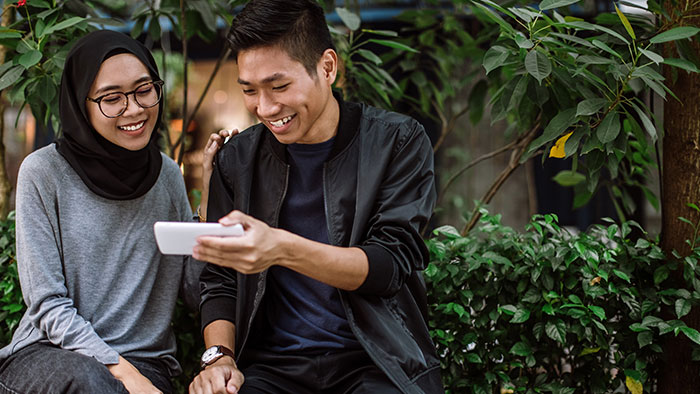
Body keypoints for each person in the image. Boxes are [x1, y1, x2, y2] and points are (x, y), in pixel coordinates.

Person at [189, 1, 443, 393]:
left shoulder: (397, 141)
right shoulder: (236, 160)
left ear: (327, 67)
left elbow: (388, 265)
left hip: (376, 363)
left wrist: (281, 247)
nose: (266, 108)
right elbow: (221, 279)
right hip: (271, 368)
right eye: (249, 91)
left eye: (279, 86)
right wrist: (219, 357)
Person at [0, 30, 205, 394]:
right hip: (50, 355)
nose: (135, 108)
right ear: (82, 103)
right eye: (112, 98)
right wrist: (123, 374)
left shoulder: (168, 176)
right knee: (92, 380)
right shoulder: (43, 172)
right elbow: (47, 306)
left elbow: (194, 288)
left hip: (145, 361)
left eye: (144, 89)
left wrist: (212, 203)